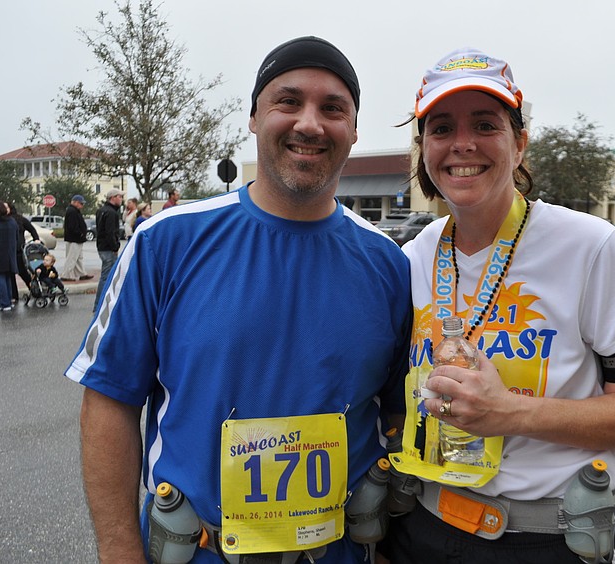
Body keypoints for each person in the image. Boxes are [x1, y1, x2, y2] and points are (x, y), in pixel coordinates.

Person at [65, 36, 411, 563]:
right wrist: (119, 551)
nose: (310, 123)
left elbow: (395, 412)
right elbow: (110, 401)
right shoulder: (164, 243)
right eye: (288, 102)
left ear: (354, 129)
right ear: (254, 117)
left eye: (333, 108)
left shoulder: (388, 263)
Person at [378, 48, 615, 564]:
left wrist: (509, 412)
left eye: (485, 124)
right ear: (424, 147)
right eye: (442, 128)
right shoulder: (412, 256)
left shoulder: (590, 246)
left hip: (546, 539)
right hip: (422, 528)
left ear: (519, 143)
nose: (462, 144)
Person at [93, 188, 124, 312]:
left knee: (107, 275)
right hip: (108, 248)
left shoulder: (101, 211)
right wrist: (115, 246)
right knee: (107, 276)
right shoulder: (111, 213)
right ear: (113, 198)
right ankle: (99, 305)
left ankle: (103, 302)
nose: (121, 199)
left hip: (101, 246)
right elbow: (110, 232)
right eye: (119, 197)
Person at [7, 202, 41, 305]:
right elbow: (32, 229)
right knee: (19, 273)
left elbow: (31, 228)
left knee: (20, 273)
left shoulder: (18, 219)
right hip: (15, 249)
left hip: (17, 249)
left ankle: (32, 292)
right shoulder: (8, 220)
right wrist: (36, 238)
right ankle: (34, 292)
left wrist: (36, 239)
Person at [61, 195, 93, 282]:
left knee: (78, 258)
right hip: (74, 239)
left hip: (76, 238)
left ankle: (81, 273)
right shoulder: (72, 211)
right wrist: (80, 233)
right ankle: (66, 275)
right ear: (75, 202)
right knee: (72, 258)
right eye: (81, 203)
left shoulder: (74, 211)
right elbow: (72, 226)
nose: (82, 205)